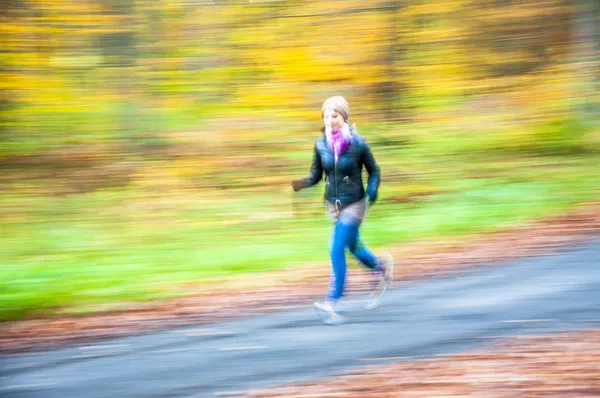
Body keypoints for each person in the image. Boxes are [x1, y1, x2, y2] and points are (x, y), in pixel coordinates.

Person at [291, 96, 393, 324]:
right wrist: (302, 183)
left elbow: (374, 171)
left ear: (344, 116)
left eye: (334, 115)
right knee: (353, 246)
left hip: (356, 204)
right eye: (326, 116)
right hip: (333, 205)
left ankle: (332, 300)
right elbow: (317, 175)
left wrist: (372, 192)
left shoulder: (358, 144)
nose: (329, 120)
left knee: (335, 247)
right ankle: (379, 267)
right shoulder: (320, 144)